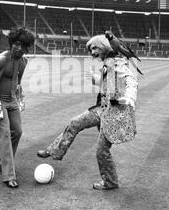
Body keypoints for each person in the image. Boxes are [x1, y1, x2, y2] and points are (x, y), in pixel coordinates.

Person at [37, 34, 138, 190]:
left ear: (104, 46)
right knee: (75, 123)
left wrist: (130, 98)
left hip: (114, 114)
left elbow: (131, 80)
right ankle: (54, 151)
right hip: (102, 109)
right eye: (91, 49)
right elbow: (110, 85)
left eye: (95, 48)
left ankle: (110, 182)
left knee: (101, 151)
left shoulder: (118, 62)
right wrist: (97, 79)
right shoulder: (108, 62)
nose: (92, 52)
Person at [0, 27, 34, 188]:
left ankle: (1, 163)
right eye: (17, 44)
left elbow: (18, 83)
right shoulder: (1, 60)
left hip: (12, 101)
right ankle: (9, 175)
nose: (20, 49)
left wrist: (18, 101)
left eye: (24, 47)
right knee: (6, 133)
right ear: (12, 43)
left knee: (18, 132)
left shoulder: (23, 61)